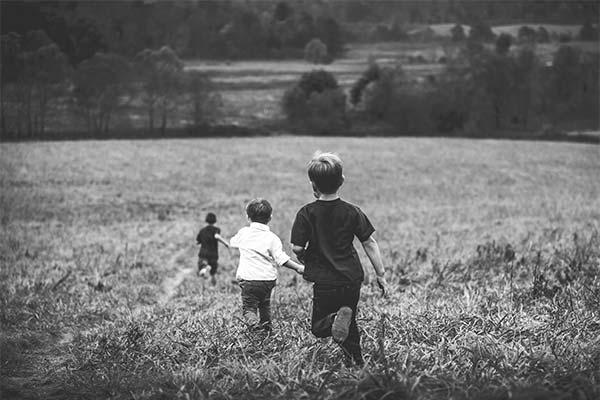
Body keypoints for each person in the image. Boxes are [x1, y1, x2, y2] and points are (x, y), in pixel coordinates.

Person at [291, 151, 388, 366]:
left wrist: (304, 257)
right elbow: (369, 243)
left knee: (319, 326)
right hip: (351, 278)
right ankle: (356, 363)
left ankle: (335, 320)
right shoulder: (352, 212)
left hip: (325, 281)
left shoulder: (306, 213)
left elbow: (297, 247)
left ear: (312, 184)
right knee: (348, 322)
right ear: (341, 181)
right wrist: (380, 274)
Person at [230, 198, 304, 333]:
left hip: (249, 280)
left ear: (248, 217)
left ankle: (254, 326)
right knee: (265, 305)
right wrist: (298, 267)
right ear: (270, 217)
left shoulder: (243, 233)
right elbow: (281, 259)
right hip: (267, 280)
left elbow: (233, 242)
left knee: (249, 308)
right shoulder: (272, 238)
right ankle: (267, 330)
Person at [196, 212, 229, 285]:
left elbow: (198, 241)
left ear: (206, 220)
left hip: (203, 253)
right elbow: (217, 236)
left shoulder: (202, 231)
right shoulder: (216, 229)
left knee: (202, 266)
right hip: (213, 254)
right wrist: (226, 243)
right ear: (215, 220)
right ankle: (213, 286)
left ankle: (205, 268)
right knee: (213, 273)